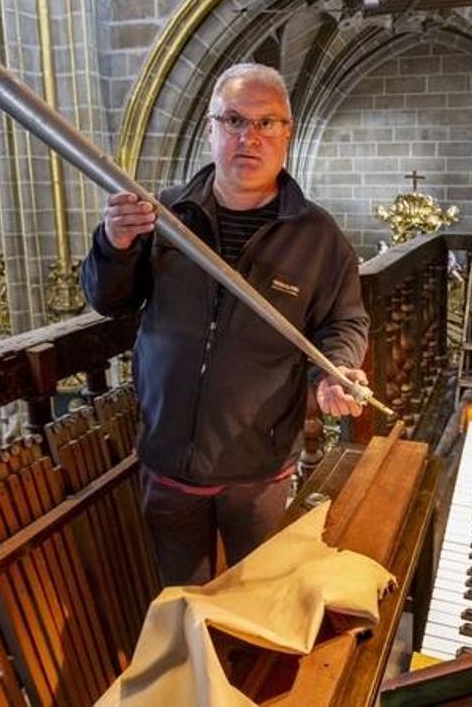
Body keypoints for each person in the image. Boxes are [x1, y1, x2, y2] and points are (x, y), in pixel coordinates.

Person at [80, 63, 370, 586]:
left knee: (255, 597)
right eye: (234, 120)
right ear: (210, 129)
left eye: (266, 124)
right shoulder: (162, 214)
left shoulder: (317, 236)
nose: (248, 137)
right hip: (168, 457)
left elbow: (343, 320)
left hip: (257, 468)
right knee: (180, 601)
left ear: (287, 134)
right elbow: (109, 300)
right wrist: (113, 245)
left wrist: (337, 369)